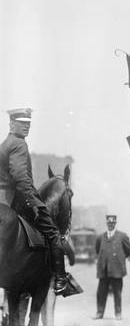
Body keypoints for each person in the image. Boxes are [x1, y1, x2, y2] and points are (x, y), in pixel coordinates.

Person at [0, 108, 69, 295]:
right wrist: (36, 204)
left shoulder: (5, 143)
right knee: (54, 234)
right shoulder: (19, 144)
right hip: (16, 200)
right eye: (22, 123)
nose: (26, 126)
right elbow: (21, 179)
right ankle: (61, 280)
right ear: (11, 123)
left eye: (28, 123)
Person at [95, 215, 130, 320]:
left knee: (117, 293)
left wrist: (121, 257)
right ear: (107, 224)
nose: (110, 225)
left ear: (115, 223)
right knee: (101, 293)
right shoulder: (100, 237)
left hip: (117, 270)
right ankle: (99, 312)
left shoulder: (122, 236)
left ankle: (118, 313)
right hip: (103, 270)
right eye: (109, 223)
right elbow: (97, 250)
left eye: (112, 223)